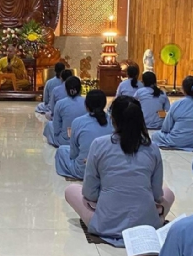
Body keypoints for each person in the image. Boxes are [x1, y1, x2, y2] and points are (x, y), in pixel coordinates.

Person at [64, 96, 175, 246]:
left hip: (106, 225)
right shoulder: (152, 147)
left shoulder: (99, 144)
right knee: (168, 193)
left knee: (71, 190)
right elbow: (156, 194)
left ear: (113, 119)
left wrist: (108, 194)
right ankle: (156, 221)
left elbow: (89, 192)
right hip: (146, 224)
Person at [54, 90, 111, 180]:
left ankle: (73, 175)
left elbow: (73, 153)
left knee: (61, 151)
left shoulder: (78, 122)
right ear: (104, 104)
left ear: (86, 106)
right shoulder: (113, 121)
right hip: (108, 170)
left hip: (84, 169)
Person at [152, 76, 193, 151]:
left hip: (176, 140)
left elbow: (166, 128)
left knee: (155, 135)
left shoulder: (176, 104)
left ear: (183, 90)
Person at [44, 76, 86, 147]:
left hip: (65, 141)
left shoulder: (60, 103)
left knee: (49, 125)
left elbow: (56, 128)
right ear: (80, 89)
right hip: (83, 139)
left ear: (66, 89)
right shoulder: (86, 102)